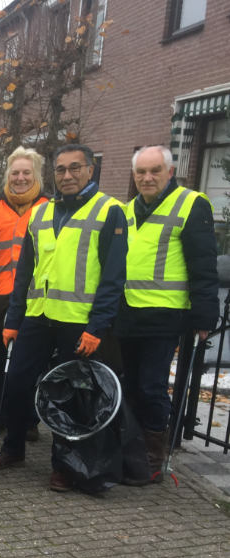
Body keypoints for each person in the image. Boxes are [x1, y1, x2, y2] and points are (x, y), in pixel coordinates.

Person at [0, 144, 129, 493]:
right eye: (61, 169)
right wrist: (13, 319)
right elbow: (25, 272)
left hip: (79, 321)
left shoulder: (109, 211)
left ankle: (63, 465)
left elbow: (113, 277)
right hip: (38, 316)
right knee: (17, 381)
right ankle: (13, 448)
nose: (67, 175)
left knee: (68, 394)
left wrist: (97, 326)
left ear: (90, 170)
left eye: (75, 168)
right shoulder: (41, 213)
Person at [115, 145, 219, 481]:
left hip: (165, 315)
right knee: (130, 385)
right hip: (128, 312)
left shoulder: (191, 204)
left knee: (152, 387)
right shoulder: (127, 210)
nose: (147, 178)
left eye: (155, 170)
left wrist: (205, 315)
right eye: (141, 172)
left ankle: (152, 458)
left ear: (170, 172)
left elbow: (203, 264)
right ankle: (130, 449)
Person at [0, 147, 48, 439]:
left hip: (35, 298)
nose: (20, 178)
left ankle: (29, 419)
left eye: (26, 173)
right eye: (15, 173)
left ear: (37, 176)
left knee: (31, 364)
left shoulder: (48, 209)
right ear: (7, 175)